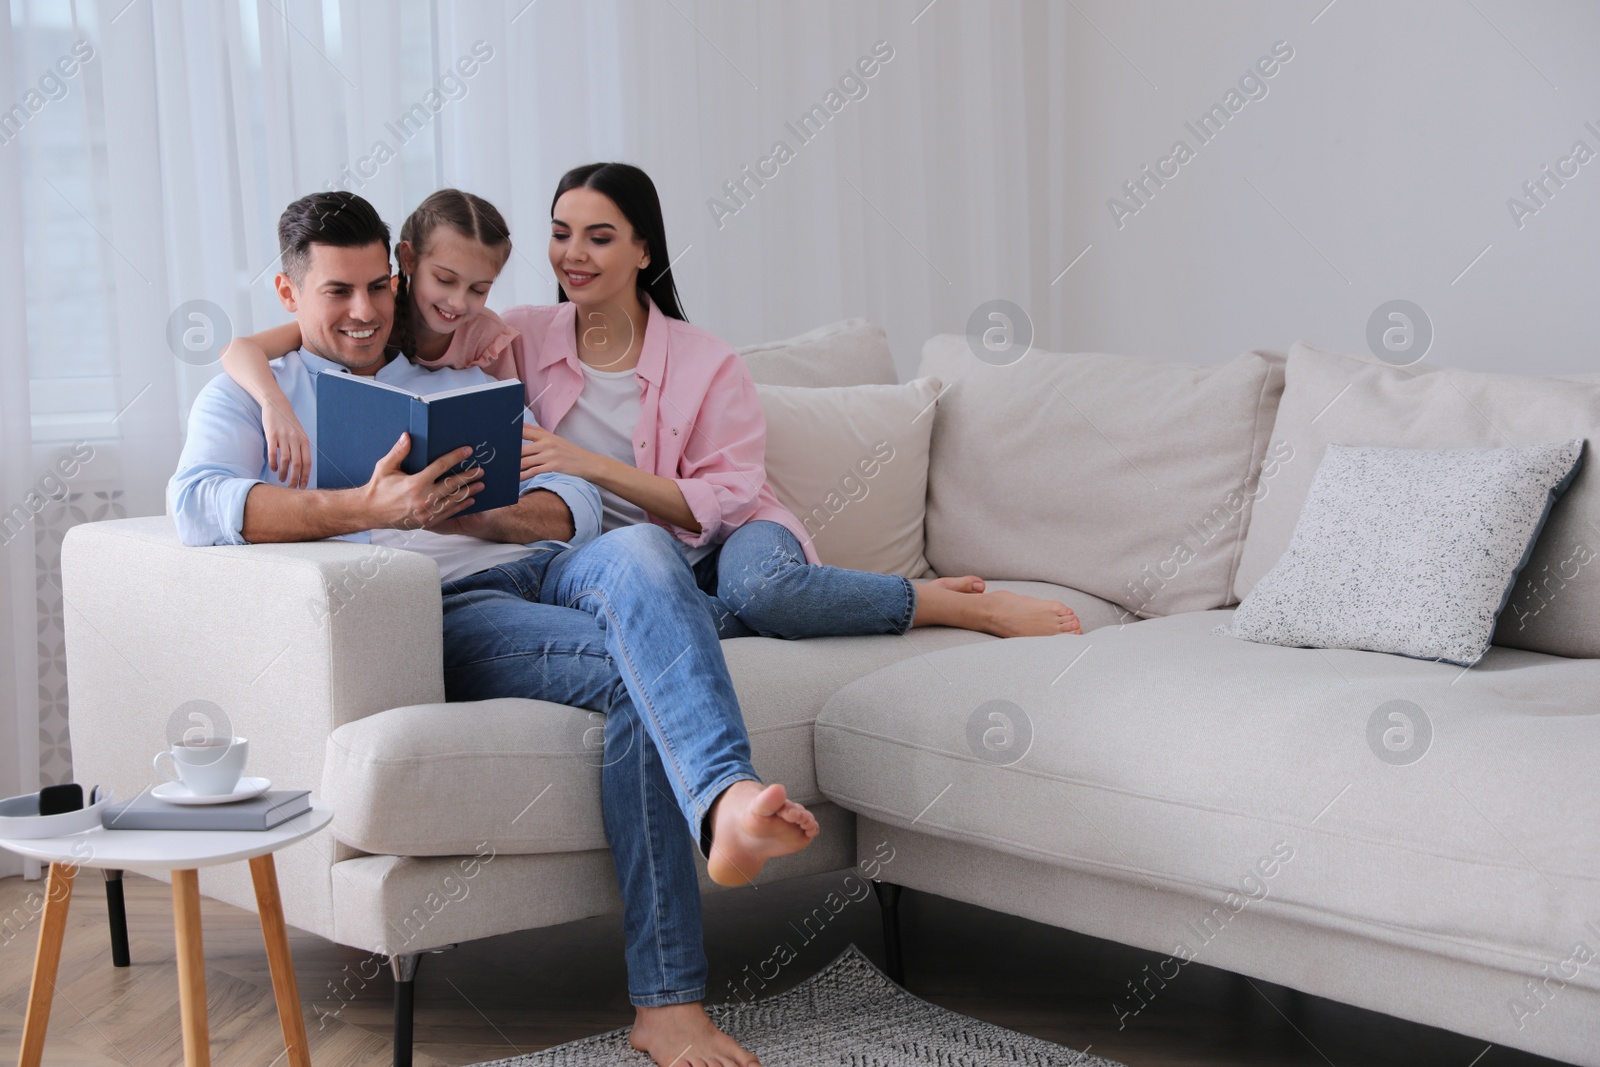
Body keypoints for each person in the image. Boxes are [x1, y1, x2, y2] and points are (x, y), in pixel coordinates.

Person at [173, 189, 809, 1067]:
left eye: (376, 288)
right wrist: (366, 506)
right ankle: (669, 1000)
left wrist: (467, 515)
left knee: (646, 556)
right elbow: (199, 504)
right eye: (336, 293)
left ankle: (729, 796)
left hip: (544, 565)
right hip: (461, 610)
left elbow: (579, 503)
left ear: (394, 275)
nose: (363, 312)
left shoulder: (467, 378)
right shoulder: (260, 392)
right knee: (645, 676)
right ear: (289, 296)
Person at [219, 174, 1083, 644]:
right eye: (561, 233)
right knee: (660, 611)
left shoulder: (706, 360)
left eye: (599, 235)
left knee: (763, 586)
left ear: (642, 249)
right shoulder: (510, 332)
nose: (574, 253)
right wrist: (267, 384)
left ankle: (941, 603)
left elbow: (732, 500)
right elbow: (325, 327)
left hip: (733, 534)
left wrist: (586, 464)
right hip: (633, 556)